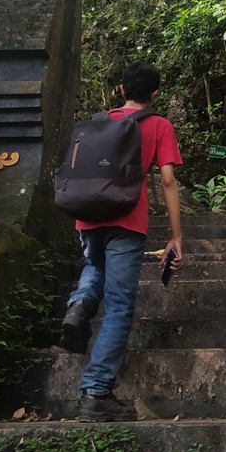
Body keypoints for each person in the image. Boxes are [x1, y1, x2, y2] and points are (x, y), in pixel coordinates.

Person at [59, 62, 184, 422]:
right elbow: (168, 181)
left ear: (120, 89)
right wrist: (176, 236)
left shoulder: (99, 122)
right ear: (155, 94)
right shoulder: (158, 125)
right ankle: (96, 391)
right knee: (119, 307)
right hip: (127, 221)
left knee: (93, 266)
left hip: (87, 216)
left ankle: (80, 304)